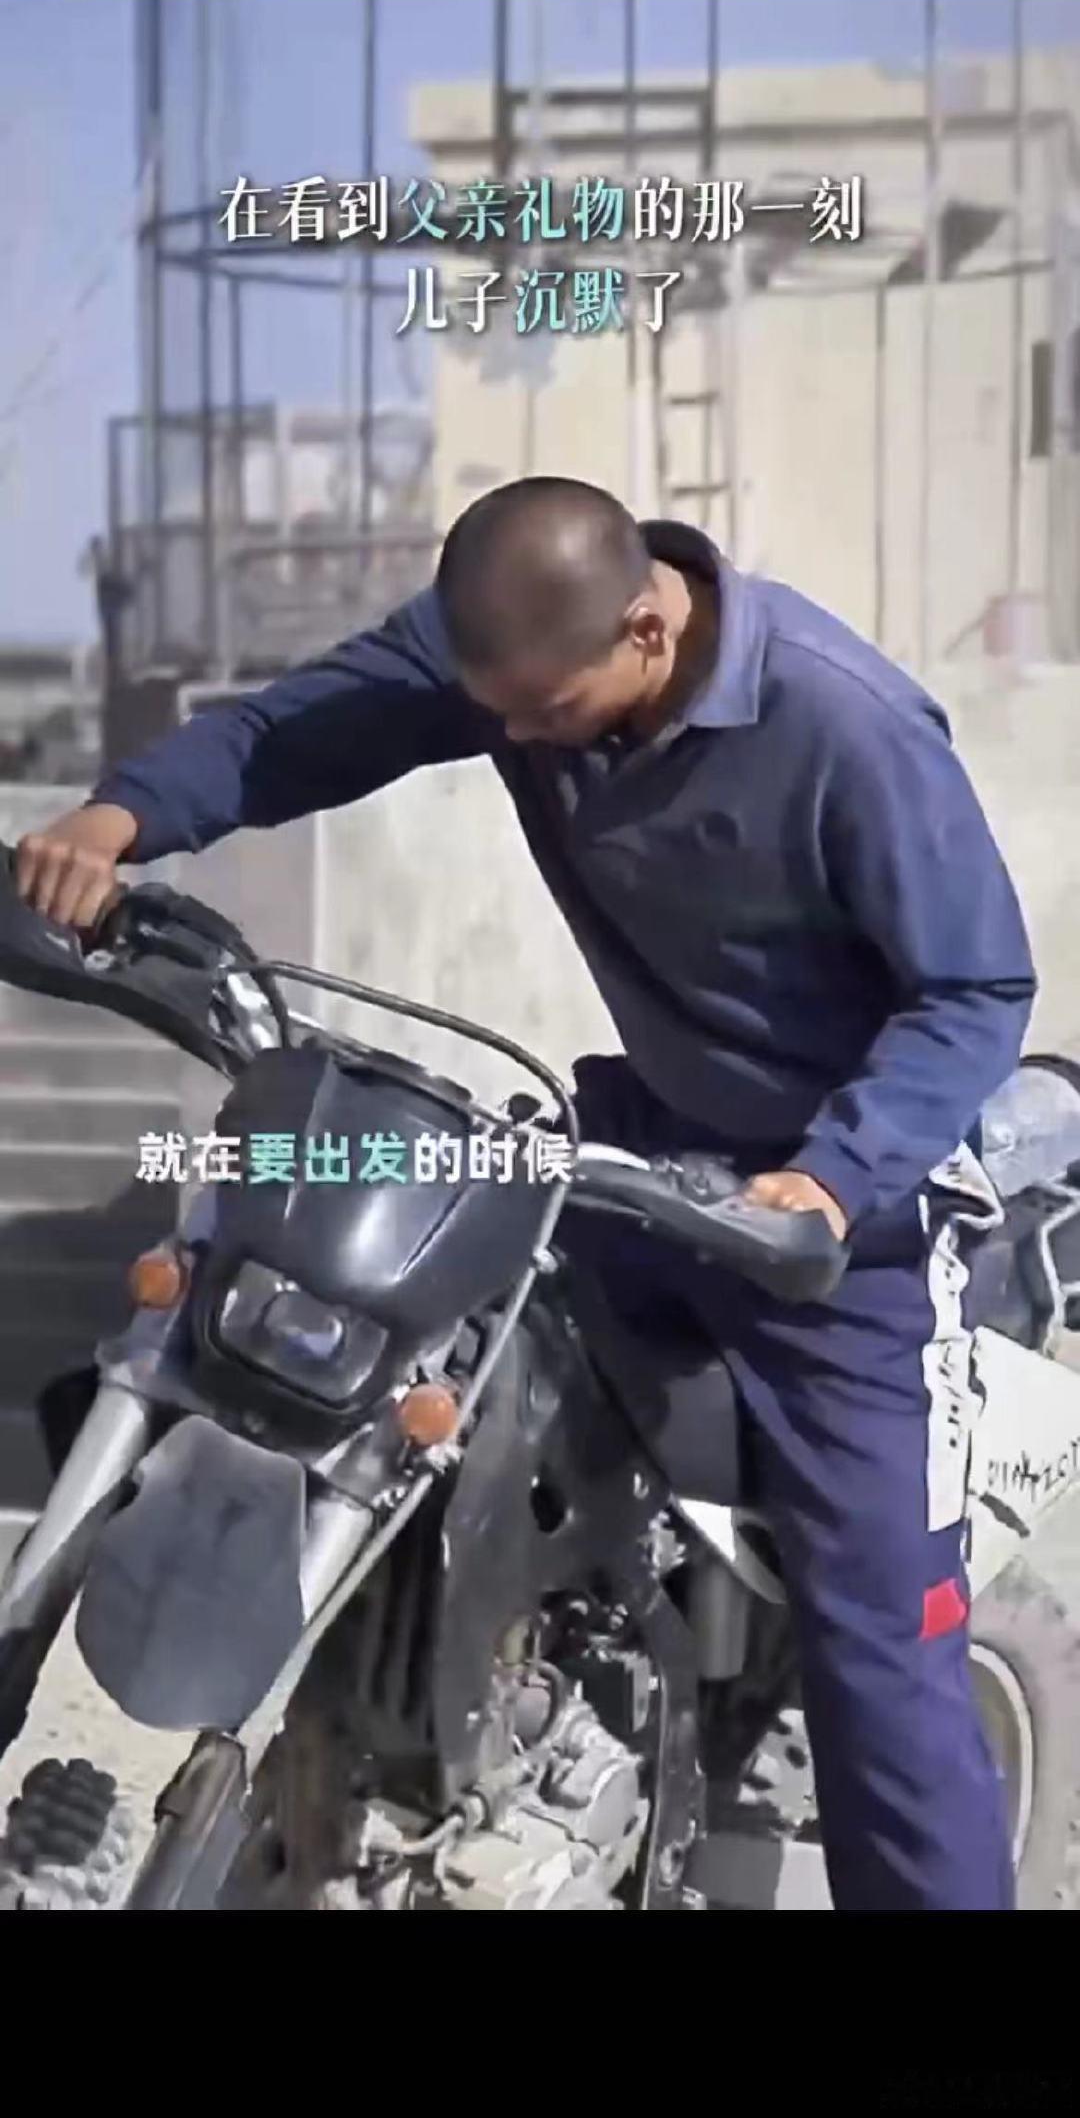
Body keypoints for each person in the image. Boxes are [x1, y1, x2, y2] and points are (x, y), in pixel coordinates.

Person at [15, 475, 1036, 1911]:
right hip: (627, 1149)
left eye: (544, 714)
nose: (519, 739)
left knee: (880, 1641)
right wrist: (122, 817)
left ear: (645, 628)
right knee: (415, 1396)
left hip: (837, 1224)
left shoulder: (841, 724)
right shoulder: (512, 657)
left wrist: (833, 1176)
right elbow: (292, 729)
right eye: (495, 712)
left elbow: (975, 989)